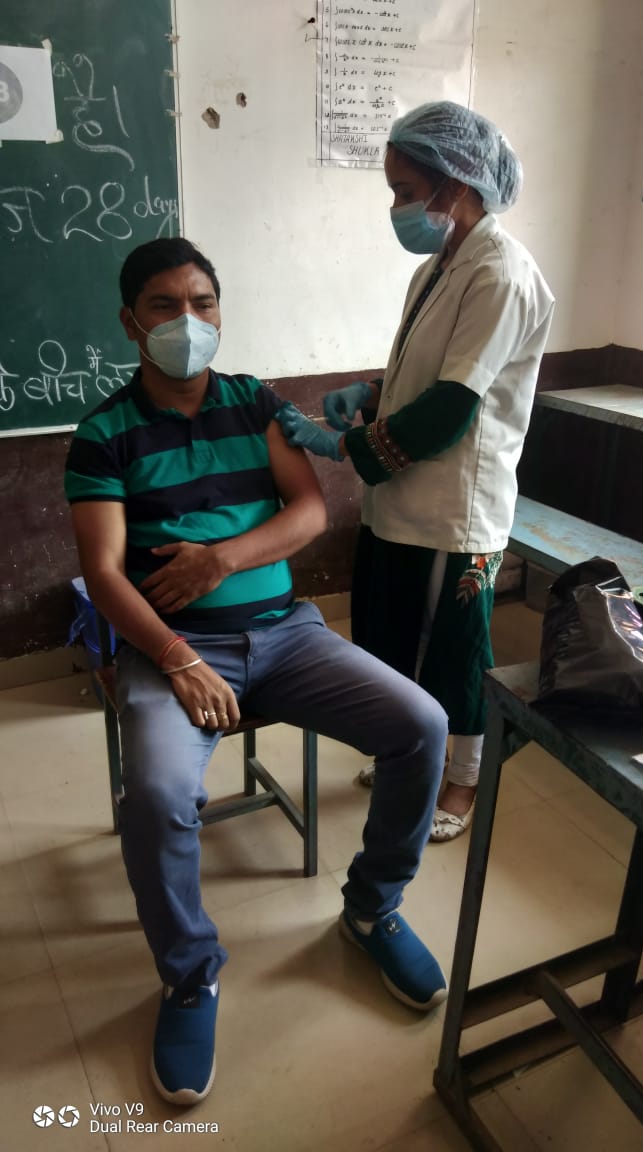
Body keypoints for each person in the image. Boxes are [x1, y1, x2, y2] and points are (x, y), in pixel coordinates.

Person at [64, 237, 449, 1106]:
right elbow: (106, 576)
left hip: (285, 634)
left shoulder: (255, 402)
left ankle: (372, 907)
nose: (189, 321)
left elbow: (309, 510)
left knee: (421, 724)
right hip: (174, 654)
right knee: (157, 795)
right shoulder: (104, 434)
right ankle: (189, 974)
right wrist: (176, 657)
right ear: (130, 322)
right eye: (165, 306)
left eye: (203, 303)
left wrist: (222, 559)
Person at [276, 101, 555, 843]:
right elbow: (425, 373)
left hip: (457, 505)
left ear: (456, 184)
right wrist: (371, 393)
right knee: (394, 635)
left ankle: (462, 778)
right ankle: (412, 753)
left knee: (454, 649)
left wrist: (342, 447)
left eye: (405, 191)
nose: (397, 207)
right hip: (405, 497)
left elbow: (451, 409)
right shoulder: (439, 267)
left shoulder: (500, 274)